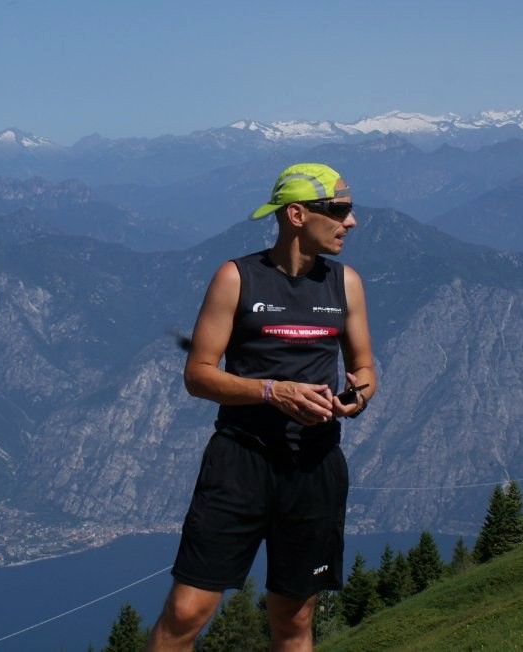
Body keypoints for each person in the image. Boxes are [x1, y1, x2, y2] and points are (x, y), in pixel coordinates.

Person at [146, 163, 377, 652]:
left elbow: (364, 370)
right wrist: (274, 392)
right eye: (338, 210)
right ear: (296, 215)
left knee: (294, 617)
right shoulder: (236, 278)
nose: (350, 222)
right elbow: (198, 374)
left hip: (314, 464)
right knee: (187, 611)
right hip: (239, 461)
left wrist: (353, 399)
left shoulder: (346, 283)